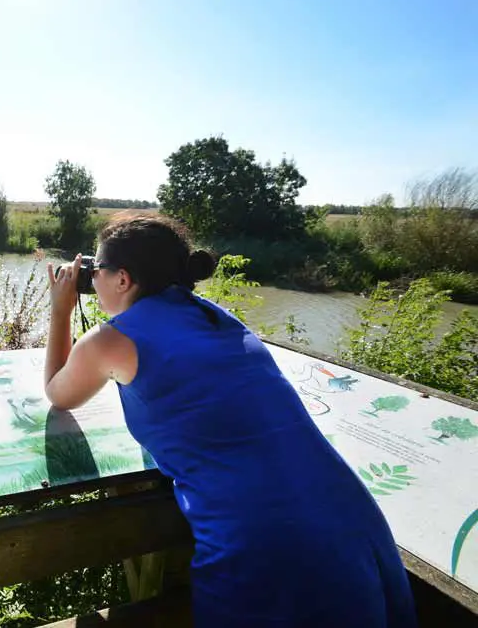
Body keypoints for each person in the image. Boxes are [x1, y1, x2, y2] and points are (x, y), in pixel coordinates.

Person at [43, 211, 416, 628]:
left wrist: (60, 310)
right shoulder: (216, 317)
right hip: (351, 519)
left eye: (96, 269)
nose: (91, 280)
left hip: (265, 539)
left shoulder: (111, 339)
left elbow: (59, 395)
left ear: (123, 279)